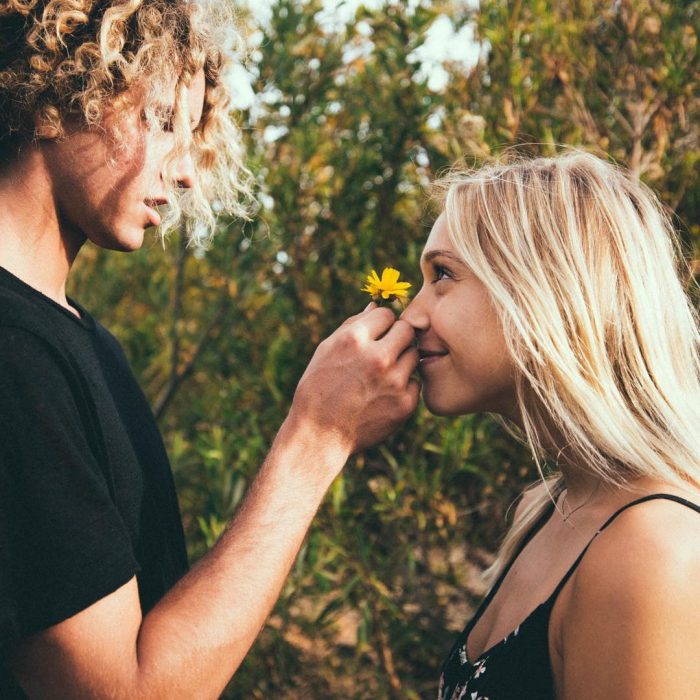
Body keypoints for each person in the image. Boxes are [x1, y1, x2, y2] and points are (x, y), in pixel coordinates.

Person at [0, 1, 419, 697]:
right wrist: (318, 436)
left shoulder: (79, 343)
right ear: (55, 98)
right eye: (162, 120)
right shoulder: (15, 358)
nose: (188, 171)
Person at [400, 151, 700, 699]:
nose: (412, 315)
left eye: (442, 274)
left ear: (542, 291)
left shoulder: (649, 550)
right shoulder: (547, 506)